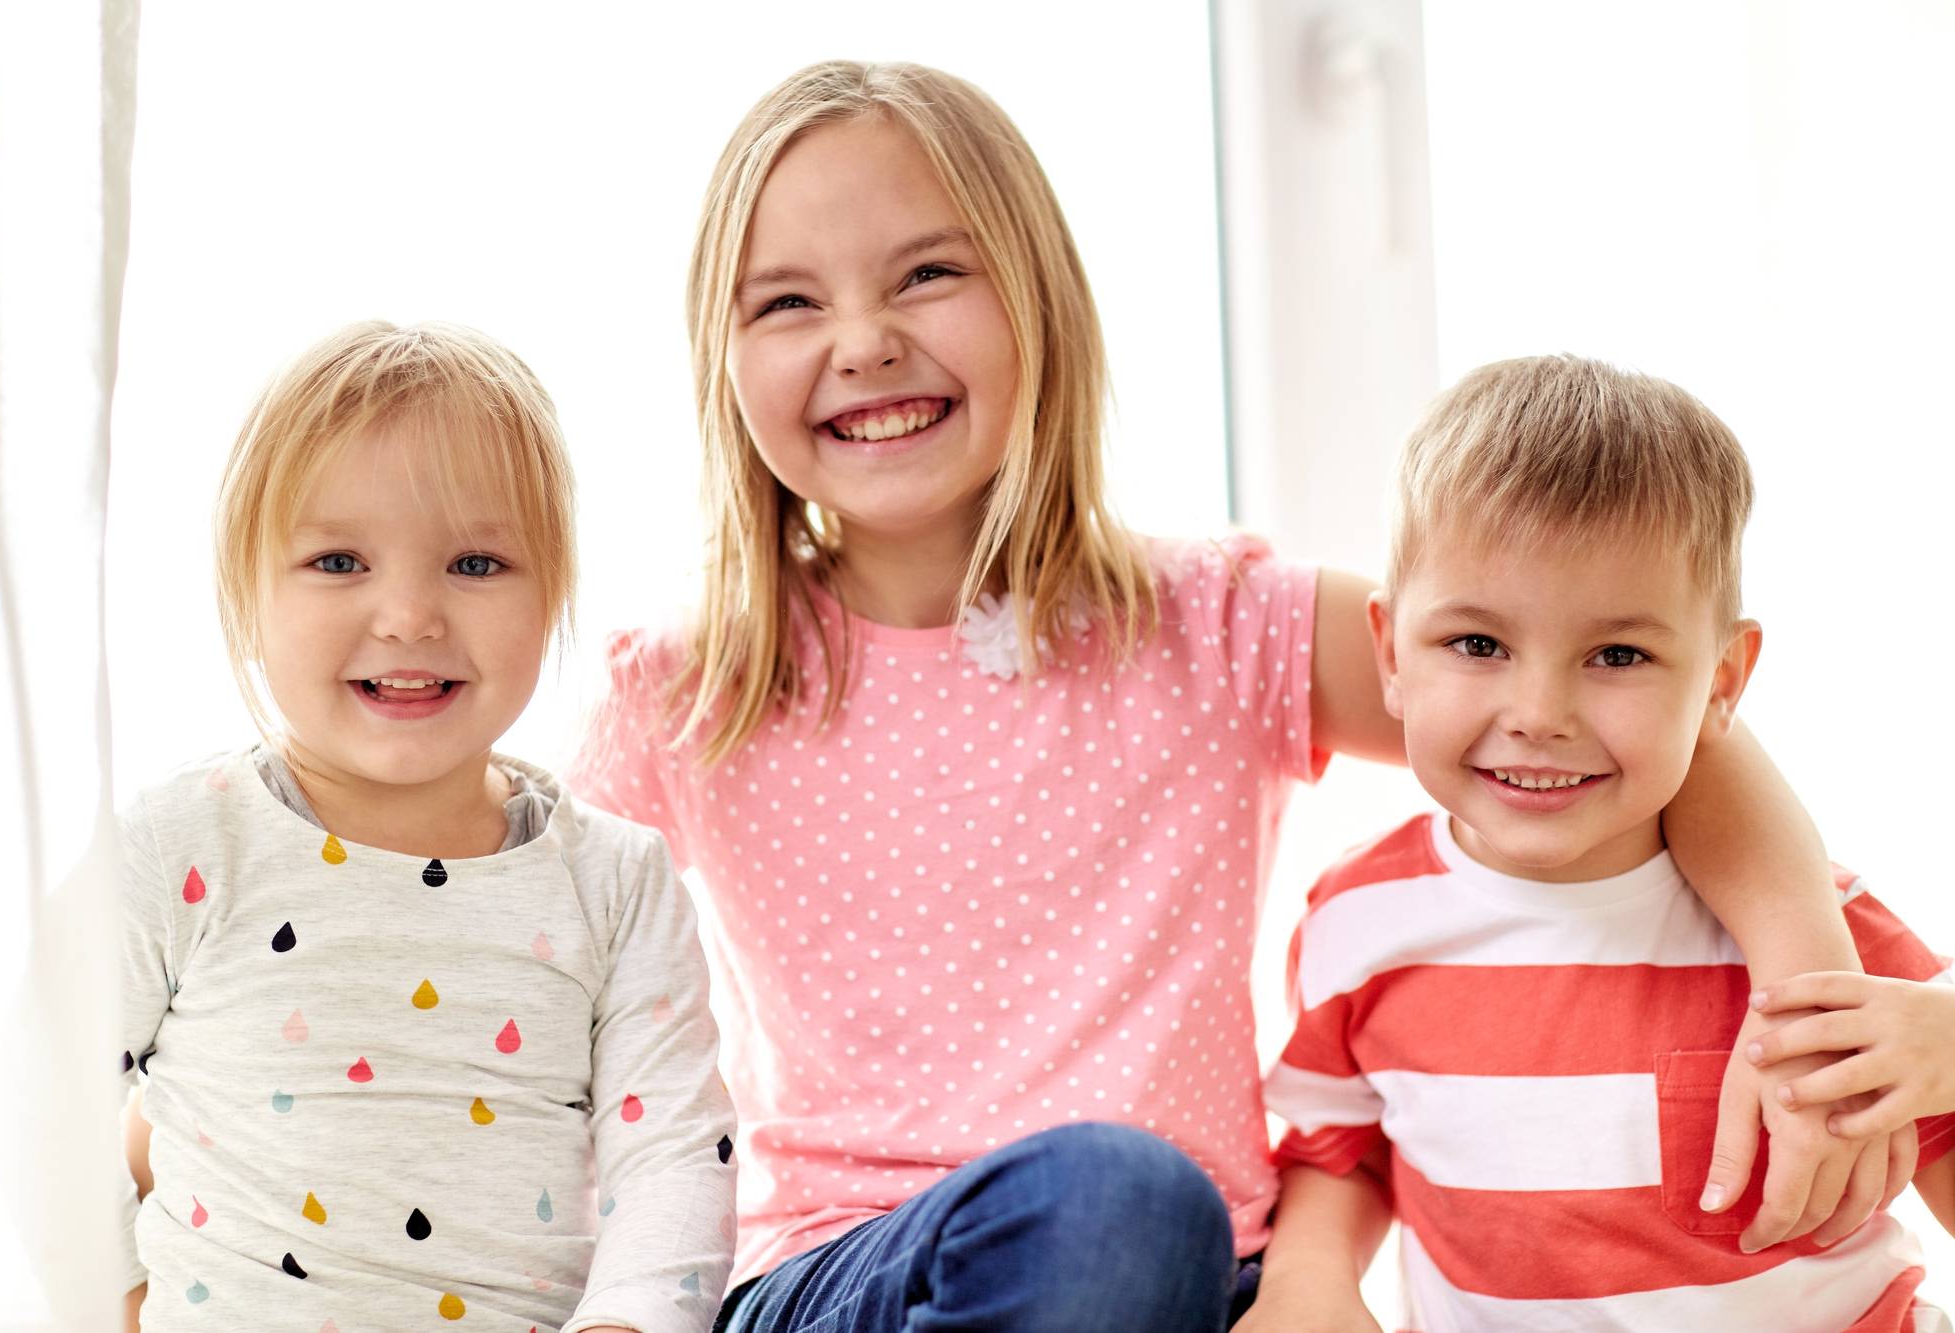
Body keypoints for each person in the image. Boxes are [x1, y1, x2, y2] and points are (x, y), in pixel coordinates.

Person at [569, 60, 1889, 1333]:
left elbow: (1613, 706)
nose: (865, 341)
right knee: (1107, 1198)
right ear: (722, 359)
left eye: (928, 273)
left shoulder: (1215, 626)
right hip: (843, 1276)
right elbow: (520, 994)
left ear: (1038, 301)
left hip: (1196, 1275)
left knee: (1138, 1213)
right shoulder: (687, 688)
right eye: (787, 303)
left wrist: (1808, 1002)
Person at [1264, 354, 1955, 1330]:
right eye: (1475, 645)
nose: (1536, 713)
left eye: (1616, 655)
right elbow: (1340, 1146)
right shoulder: (1354, 921)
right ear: (1386, 651)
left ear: (1721, 679)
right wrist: (1307, 1284)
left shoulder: (1819, 939)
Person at [118, 322, 735, 1332]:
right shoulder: (182, 842)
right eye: (338, 559)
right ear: (246, 592)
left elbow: (669, 1152)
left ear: (556, 592)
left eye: (478, 562)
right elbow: (28, 1094)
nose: (408, 614)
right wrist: (121, 1294)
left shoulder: (618, 882)